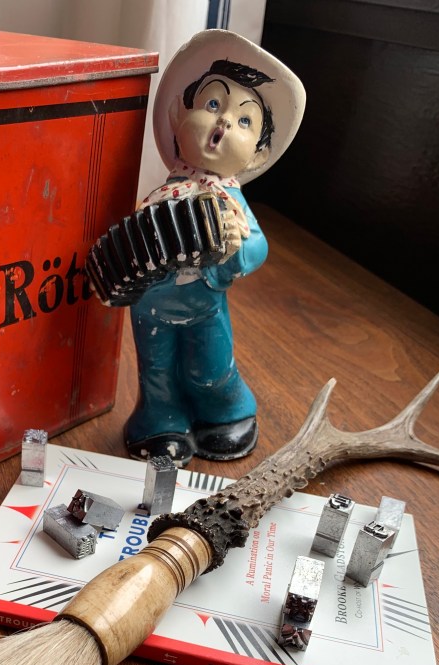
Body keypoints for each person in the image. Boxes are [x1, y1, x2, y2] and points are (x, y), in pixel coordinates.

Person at [125, 31, 305, 465]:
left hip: (204, 306)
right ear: (177, 115)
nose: (223, 122)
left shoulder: (229, 203)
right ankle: (161, 422)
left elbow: (257, 247)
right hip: (151, 308)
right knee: (156, 370)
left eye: (244, 121)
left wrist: (235, 247)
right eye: (211, 104)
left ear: (256, 155)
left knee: (210, 367)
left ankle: (225, 414)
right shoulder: (160, 197)